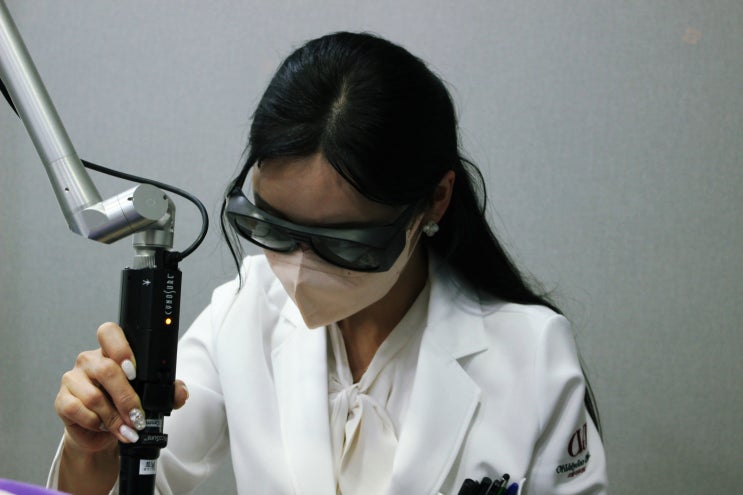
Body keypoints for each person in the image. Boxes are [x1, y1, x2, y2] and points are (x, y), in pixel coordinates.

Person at [48, 32, 608, 494]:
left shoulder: (531, 355)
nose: (297, 269)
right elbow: (140, 478)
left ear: (435, 201)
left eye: (343, 244)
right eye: (272, 227)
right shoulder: (244, 311)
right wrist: (90, 447)